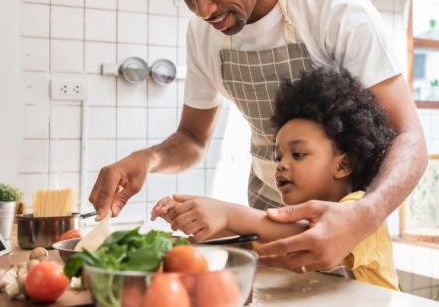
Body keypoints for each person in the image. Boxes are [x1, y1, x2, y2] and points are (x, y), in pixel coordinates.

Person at [89, 0, 427, 272]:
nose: (203, 10)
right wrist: (148, 160)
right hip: (264, 224)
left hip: (345, 226)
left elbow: (410, 136)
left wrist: (365, 214)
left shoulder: (333, 8)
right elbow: (192, 139)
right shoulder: (202, 36)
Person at [152, 69, 399, 289]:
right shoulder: (289, 218)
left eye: (298, 154)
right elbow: (254, 238)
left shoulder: (361, 210)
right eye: (278, 156)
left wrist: (227, 213)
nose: (281, 165)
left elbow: (304, 235)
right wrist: (195, 215)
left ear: (343, 164)